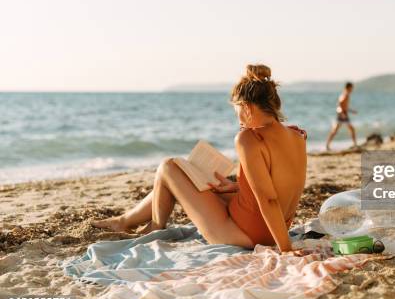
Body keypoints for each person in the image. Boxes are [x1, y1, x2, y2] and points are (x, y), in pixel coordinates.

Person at [93, 65, 307, 252]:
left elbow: (268, 199)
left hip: (246, 234)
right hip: (272, 229)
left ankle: (155, 228)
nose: (238, 118)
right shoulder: (297, 136)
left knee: (168, 167)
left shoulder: (249, 138)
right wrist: (236, 187)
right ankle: (124, 221)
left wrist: (286, 249)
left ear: (247, 107)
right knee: (192, 178)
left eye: (237, 111)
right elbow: (282, 186)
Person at [325, 82, 358, 150]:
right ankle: (355, 145)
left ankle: (327, 145)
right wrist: (342, 113)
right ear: (348, 87)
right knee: (350, 129)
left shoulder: (345, 94)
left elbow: (344, 106)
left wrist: (352, 111)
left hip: (343, 114)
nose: (352, 89)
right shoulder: (345, 95)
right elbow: (340, 103)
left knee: (336, 130)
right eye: (352, 88)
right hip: (342, 115)